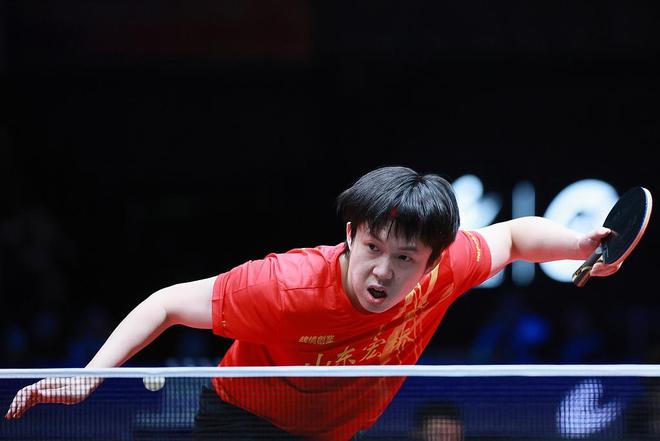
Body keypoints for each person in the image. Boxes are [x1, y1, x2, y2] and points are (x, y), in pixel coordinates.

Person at [5, 166, 620, 440]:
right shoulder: (286, 286)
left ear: (433, 260)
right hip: (244, 422)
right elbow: (166, 303)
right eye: (372, 246)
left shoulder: (447, 267)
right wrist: (90, 377)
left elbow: (512, 238)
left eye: (405, 257)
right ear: (350, 235)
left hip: (329, 433)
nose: (383, 270)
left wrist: (578, 246)